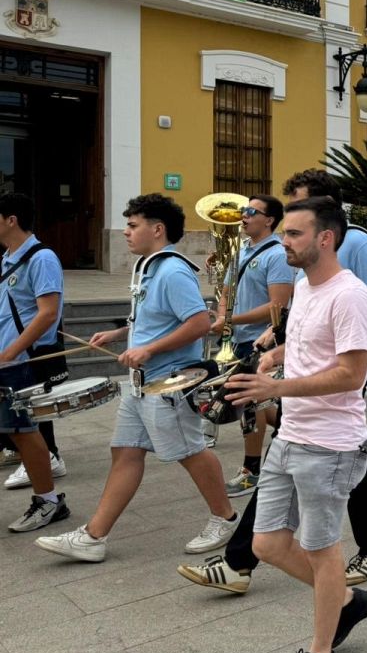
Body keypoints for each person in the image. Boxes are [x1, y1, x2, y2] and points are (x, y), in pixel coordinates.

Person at [175, 169, 367, 594]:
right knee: (338, 463)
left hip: (336, 375)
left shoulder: (356, 243)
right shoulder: (300, 254)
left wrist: (336, 326)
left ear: (324, 215)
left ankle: (241, 562)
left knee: (325, 460)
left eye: (298, 208)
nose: (287, 226)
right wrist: (284, 341)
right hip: (304, 379)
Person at [222, 196, 367, 653]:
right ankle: (346, 601)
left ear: (325, 238)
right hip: (291, 435)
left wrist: (275, 389)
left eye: (293, 234)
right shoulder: (306, 286)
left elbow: (351, 374)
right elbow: (312, 346)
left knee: (321, 548)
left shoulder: (350, 295)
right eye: (284, 233)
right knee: (267, 544)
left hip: (330, 445)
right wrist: (275, 354)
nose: (283, 242)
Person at [36, 194, 237, 562]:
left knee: (192, 452)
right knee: (125, 452)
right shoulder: (148, 267)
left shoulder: (173, 271)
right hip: (141, 383)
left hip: (168, 383)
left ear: (157, 230)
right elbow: (157, 321)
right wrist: (119, 335)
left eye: (132, 225)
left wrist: (149, 350)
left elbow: (198, 324)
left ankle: (225, 518)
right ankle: (93, 537)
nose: (126, 232)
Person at [216, 195, 294, 499]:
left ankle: (252, 470)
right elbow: (225, 292)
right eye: (244, 210)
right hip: (236, 338)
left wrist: (230, 319)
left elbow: (277, 305)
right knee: (256, 404)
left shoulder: (277, 255)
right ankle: (293, 427)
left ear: (269, 220)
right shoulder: (240, 251)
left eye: (251, 211)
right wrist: (222, 317)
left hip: (260, 341)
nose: (243, 215)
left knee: (250, 404)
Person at [0, 193, 69, 532]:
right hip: (7, 360)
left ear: (11, 220)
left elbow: (47, 313)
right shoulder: (7, 259)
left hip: (20, 363)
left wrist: (9, 353)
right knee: (16, 434)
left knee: (25, 433)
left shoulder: (41, 258)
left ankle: (49, 502)